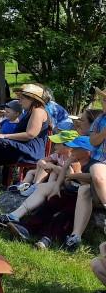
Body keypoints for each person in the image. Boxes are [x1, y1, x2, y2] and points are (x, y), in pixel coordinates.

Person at [0, 136, 93, 248]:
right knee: (50, 204)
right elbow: (66, 178)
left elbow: (87, 180)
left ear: (86, 151)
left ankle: (46, 239)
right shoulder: (72, 160)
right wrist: (58, 185)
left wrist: (73, 173)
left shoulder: (92, 165)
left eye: (75, 149)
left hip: (80, 198)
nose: (72, 150)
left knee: (63, 215)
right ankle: (27, 228)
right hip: (67, 191)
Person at [61, 88, 106, 251]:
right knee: (86, 187)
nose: (104, 103)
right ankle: (76, 236)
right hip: (100, 163)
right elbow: (93, 142)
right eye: (103, 99)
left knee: (88, 184)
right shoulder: (100, 120)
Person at [8, 130, 77, 196]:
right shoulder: (58, 155)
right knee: (31, 172)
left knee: (52, 170)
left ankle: (36, 186)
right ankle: (23, 185)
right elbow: (41, 161)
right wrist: (45, 165)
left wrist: (52, 166)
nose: (55, 146)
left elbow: (69, 175)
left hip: (61, 179)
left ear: (67, 146)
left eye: (57, 144)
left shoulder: (73, 159)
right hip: (51, 174)